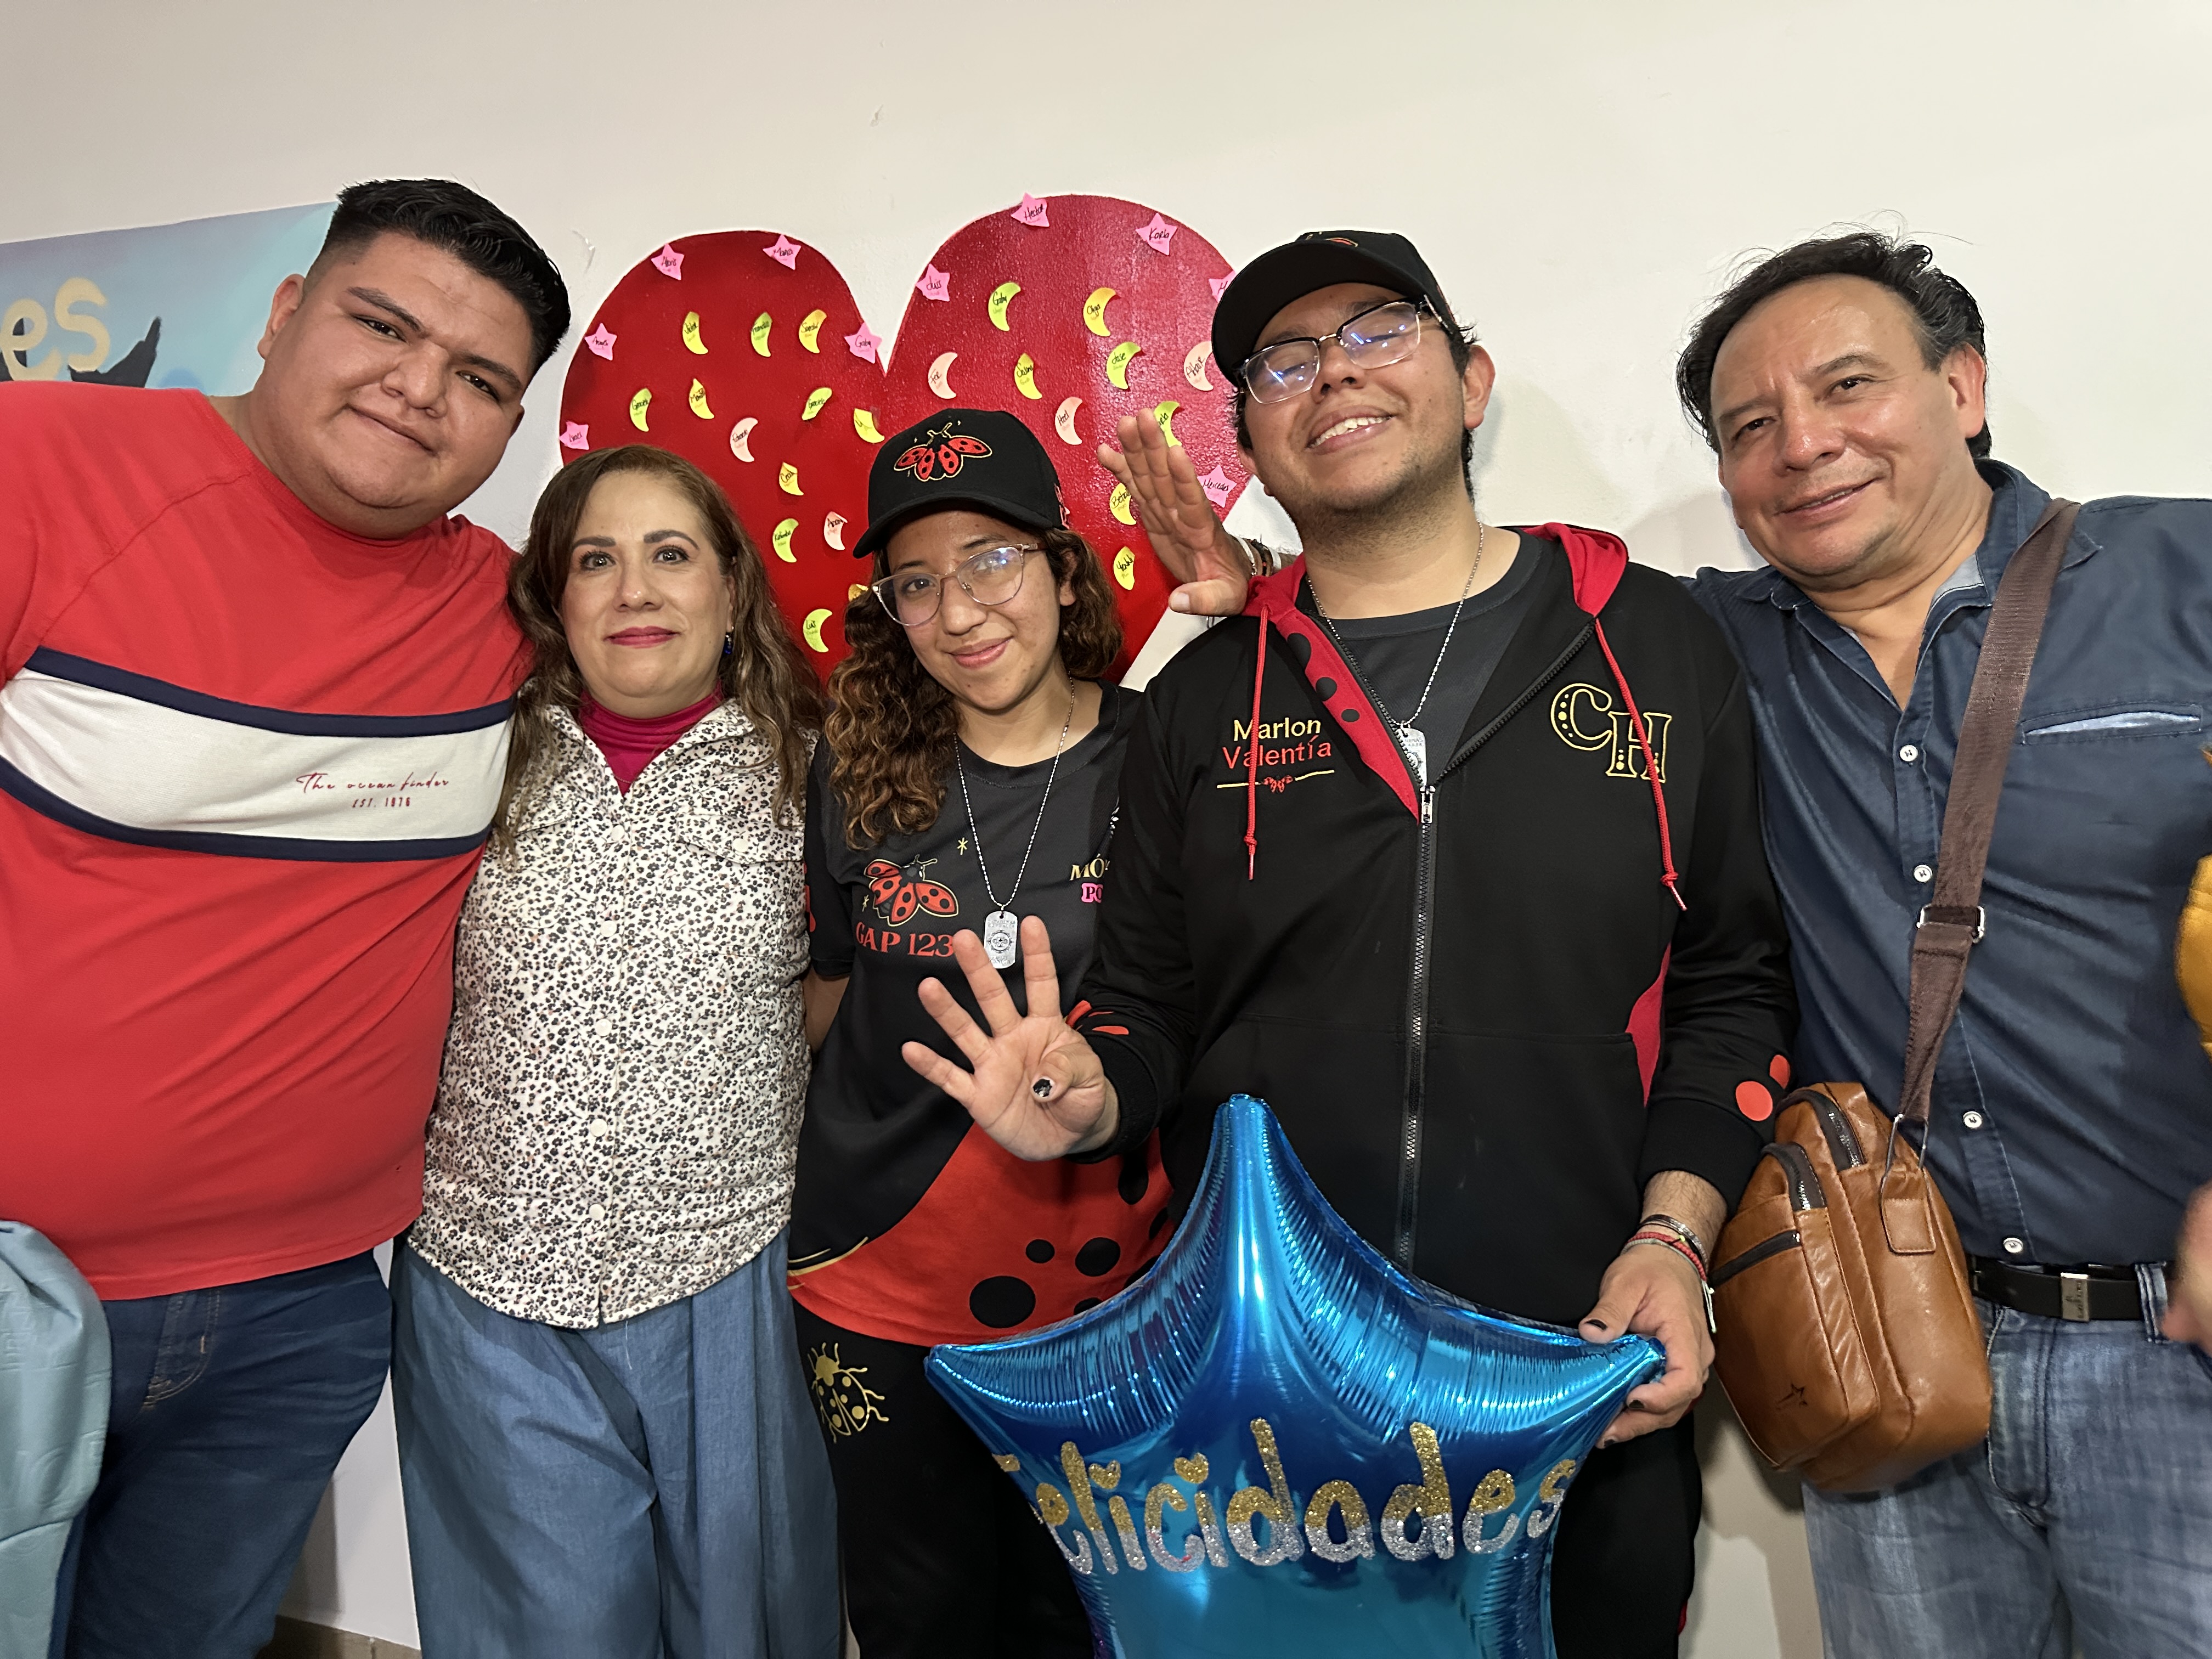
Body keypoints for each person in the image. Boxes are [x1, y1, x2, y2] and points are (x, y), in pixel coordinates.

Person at [900, 233, 1798, 1657]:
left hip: (1577, 1366)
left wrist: (1674, 1237)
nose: (1333, 374)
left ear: (1473, 380)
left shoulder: (1656, 644)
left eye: (1379, 330)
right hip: (1263, 1400)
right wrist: (1087, 1091)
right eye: (1285, 362)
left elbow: (1734, 985)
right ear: (1255, 441)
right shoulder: (1203, 695)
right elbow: (1148, 1003)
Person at [0, 179, 568, 1657]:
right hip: (19, 1278)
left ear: (511, 427)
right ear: (283, 312)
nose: (419, 388)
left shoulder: (508, 617)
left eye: (479, 379)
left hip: (304, 1312)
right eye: (383, 325)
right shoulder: (39, 464)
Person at [1674, 230, 2212, 1657]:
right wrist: (1255, 586)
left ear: (1963, 387)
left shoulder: (2188, 575)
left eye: (1847, 386)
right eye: (1749, 426)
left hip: (2184, 1356)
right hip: (1888, 1353)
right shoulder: (1705, 654)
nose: (1804, 445)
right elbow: (1462, 601)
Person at [390, 443, 838, 1658]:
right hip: (490, 1288)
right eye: (597, 561)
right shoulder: (478, 754)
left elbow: (842, 997)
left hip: (731, 1273)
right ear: (557, 597)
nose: (635, 590)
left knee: (746, 1631)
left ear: (731, 588)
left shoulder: (821, 768)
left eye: (670, 555)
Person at [790, 408, 1171, 1658]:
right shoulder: (855, 772)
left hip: (1100, 1288)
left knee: (1081, 1615)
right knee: (917, 1621)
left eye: (992, 561)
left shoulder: (1160, 752)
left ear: (1062, 569)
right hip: (870, 1276)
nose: (959, 611)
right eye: (917, 583)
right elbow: (826, 1000)